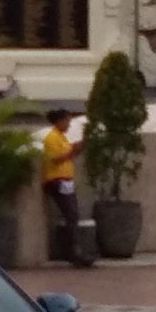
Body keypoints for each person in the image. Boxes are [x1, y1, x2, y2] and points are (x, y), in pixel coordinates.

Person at [40, 107, 86, 266]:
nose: (68, 125)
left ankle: (74, 250)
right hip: (57, 180)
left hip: (66, 180)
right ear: (59, 121)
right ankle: (73, 252)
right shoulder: (52, 138)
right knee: (71, 214)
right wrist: (73, 151)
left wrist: (76, 149)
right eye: (67, 121)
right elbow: (56, 159)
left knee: (72, 215)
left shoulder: (62, 137)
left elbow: (68, 155)